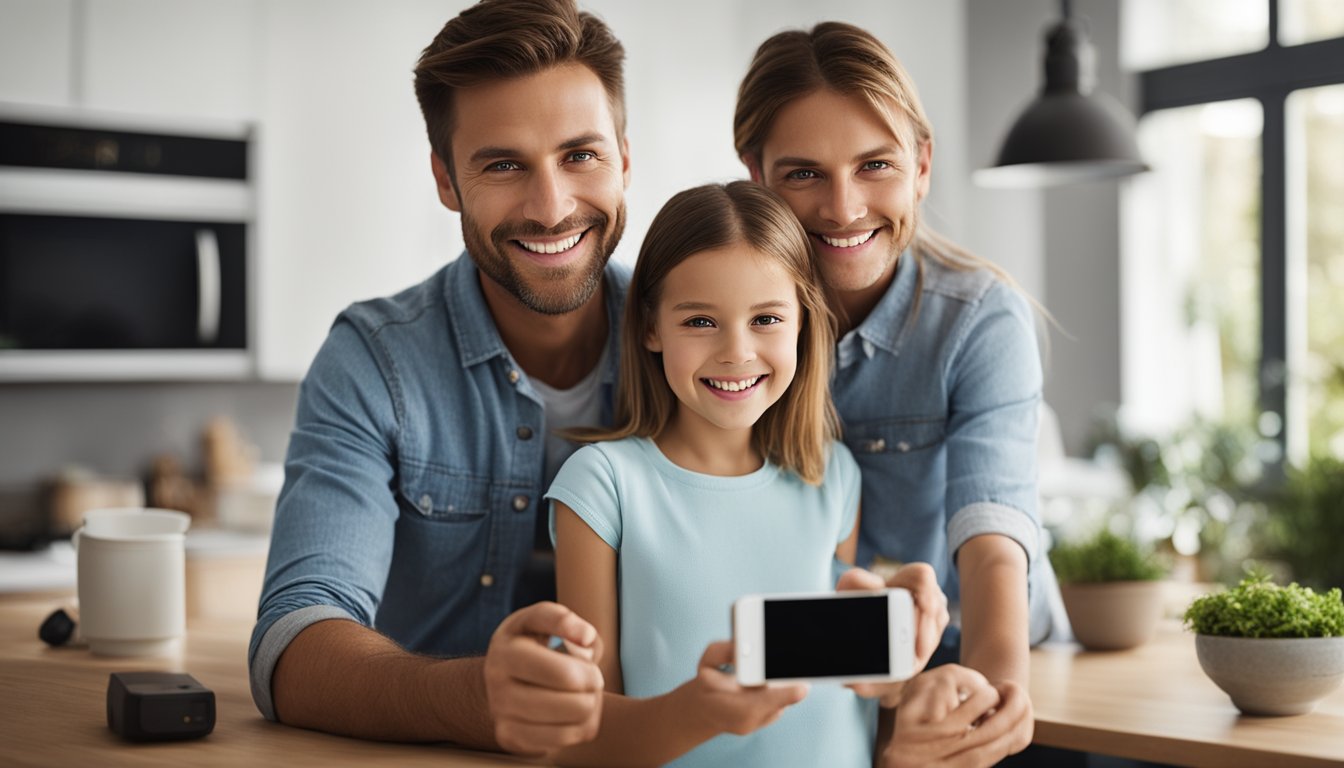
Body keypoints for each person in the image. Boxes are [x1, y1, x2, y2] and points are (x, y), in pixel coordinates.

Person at [249, 0, 631, 756]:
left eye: (580, 155)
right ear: (446, 180)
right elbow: (293, 644)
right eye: (502, 164)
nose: (551, 207)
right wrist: (480, 697)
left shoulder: (718, 348)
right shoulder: (372, 362)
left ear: (625, 156)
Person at [733, 21, 1054, 765]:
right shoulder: (728, 328)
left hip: (965, 653)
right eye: (804, 173)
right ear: (756, 175)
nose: (844, 208)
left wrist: (991, 688)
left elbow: (993, 531)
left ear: (921, 165)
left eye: (874, 165)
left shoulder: (977, 318)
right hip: (821, 672)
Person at [545, 181, 947, 767]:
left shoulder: (833, 476)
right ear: (652, 328)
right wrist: (699, 714)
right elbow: (581, 737)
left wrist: (896, 672)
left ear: (803, 324)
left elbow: (853, 700)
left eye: (766, 319)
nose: (737, 352)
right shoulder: (602, 486)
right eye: (701, 322)